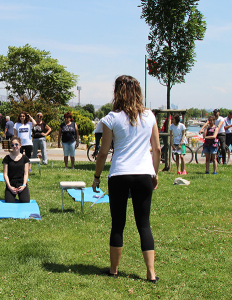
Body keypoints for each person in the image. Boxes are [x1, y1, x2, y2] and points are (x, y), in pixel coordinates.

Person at [92, 75, 160, 283]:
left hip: (119, 175)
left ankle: (114, 270)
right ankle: (151, 273)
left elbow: (103, 153)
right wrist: (154, 173)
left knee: (118, 224)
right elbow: (157, 149)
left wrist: (96, 177)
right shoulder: (150, 116)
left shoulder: (111, 118)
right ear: (138, 91)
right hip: (143, 175)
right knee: (144, 224)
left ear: (117, 92)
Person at [3, 136, 30, 203]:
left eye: (16, 144)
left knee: (25, 201)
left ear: (20, 145)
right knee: (9, 202)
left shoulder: (25, 158)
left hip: (21, 183)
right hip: (11, 183)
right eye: (12, 145)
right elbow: (5, 174)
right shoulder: (7, 158)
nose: (14, 146)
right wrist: (9, 187)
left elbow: (26, 173)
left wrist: (24, 185)